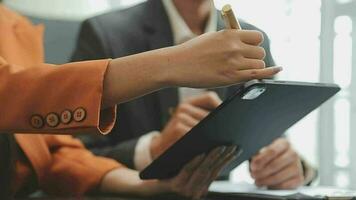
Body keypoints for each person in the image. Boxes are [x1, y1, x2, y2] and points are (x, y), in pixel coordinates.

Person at [0, 2, 280, 199]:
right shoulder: (104, 30)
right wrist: (170, 64)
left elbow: (54, 149)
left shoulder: (17, 29)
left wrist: (141, 185)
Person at [72, 0, 316, 190]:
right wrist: (152, 148)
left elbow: (270, 138)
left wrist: (292, 168)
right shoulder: (105, 33)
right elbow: (69, 155)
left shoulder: (252, 38)